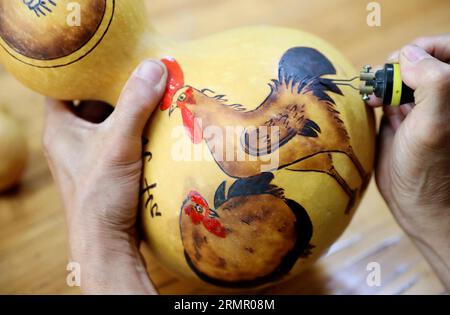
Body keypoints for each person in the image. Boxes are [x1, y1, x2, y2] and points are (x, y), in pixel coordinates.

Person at [42, 35, 450, 294]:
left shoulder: (246, 140)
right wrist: (429, 212)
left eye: (188, 102)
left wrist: (98, 252)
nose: (186, 105)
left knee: (327, 160)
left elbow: (299, 143)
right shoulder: (222, 142)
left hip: (311, 127)